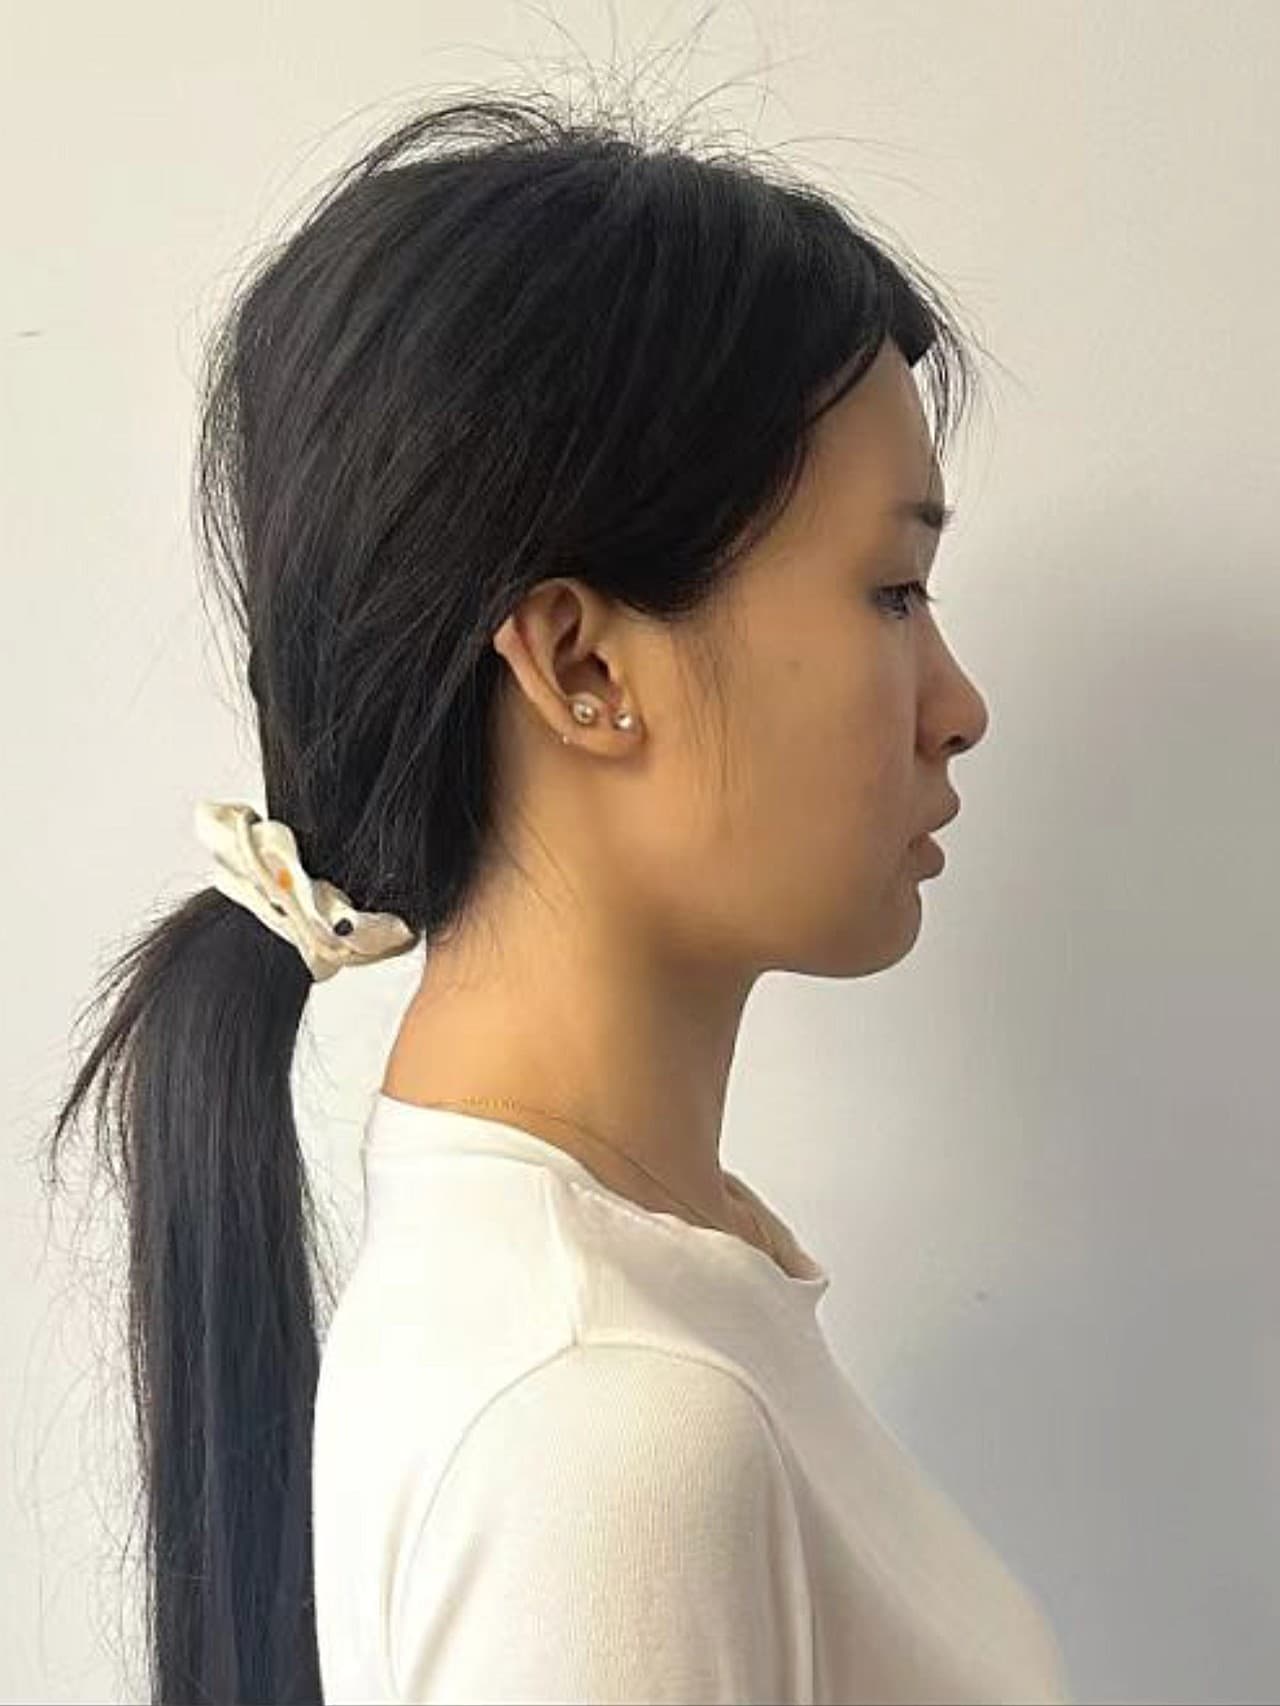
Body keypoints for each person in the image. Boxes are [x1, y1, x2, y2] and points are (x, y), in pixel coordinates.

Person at [43, 82, 1072, 1705]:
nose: (958, 703)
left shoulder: (632, 1305)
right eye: (892, 589)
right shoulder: (604, 1423)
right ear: (582, 665)